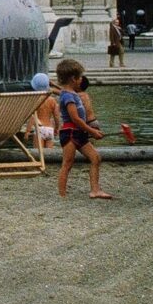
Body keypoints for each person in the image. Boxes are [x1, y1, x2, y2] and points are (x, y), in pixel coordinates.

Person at [55, 59, 112, 200]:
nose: (82, 80)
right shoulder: (68, 96)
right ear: (73, 79)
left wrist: (90, 131)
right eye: (80, 77)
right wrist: (93, 131)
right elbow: (76, 119)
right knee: (67, 163)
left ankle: (95, 190)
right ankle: (62, 195)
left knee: (95, 157)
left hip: (79, 133)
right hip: (70, 133)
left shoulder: (70, 93)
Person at [30, 72, 58, 151]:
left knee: (38, 154)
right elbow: (56, 116)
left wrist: (28, 131)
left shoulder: (34, 100)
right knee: (49, 154)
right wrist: (57, 128)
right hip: (49, 128)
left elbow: (32, 117)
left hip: (39, 129)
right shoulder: (52, 100)